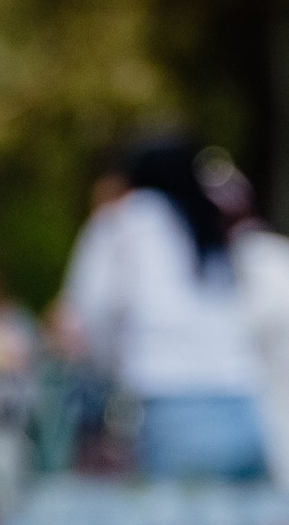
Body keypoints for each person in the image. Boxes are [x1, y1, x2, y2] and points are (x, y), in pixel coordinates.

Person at [58, 133, 268, 482]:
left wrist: (111, 369)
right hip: (244, 408)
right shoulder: (210, 225)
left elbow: (91, 312)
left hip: (172, 410)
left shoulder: (124, 220)